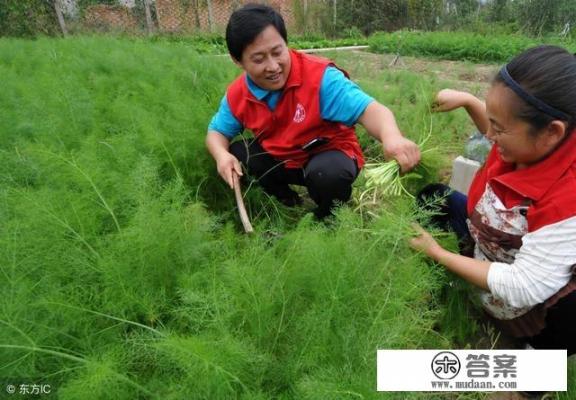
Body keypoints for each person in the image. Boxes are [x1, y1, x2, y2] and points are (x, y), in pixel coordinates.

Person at [409, 45, 576, 357]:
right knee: (435, 197)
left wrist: (437, 253)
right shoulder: (535, 144)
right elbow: (502, 133)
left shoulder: (569, 199)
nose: (489, 136)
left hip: (531, 292)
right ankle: (452, 284)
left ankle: (531, 375)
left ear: (552, 132)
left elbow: (522, 284)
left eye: (497, 127)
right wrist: (469, 101)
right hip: (490, 243)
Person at [206, 3, 420, 218]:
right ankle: (285, 198)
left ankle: (328, 215)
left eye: (277, 52)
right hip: (282, 159)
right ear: (238, 61)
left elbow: (369, 109)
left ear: (286, 44)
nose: (273, 66)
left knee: (327, 175)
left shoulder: (320, 78)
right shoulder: (238, 94)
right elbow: (217, 132)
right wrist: (220, 155)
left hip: (326, 155)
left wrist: (392, 137)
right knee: (237, 152)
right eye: (259, 59)